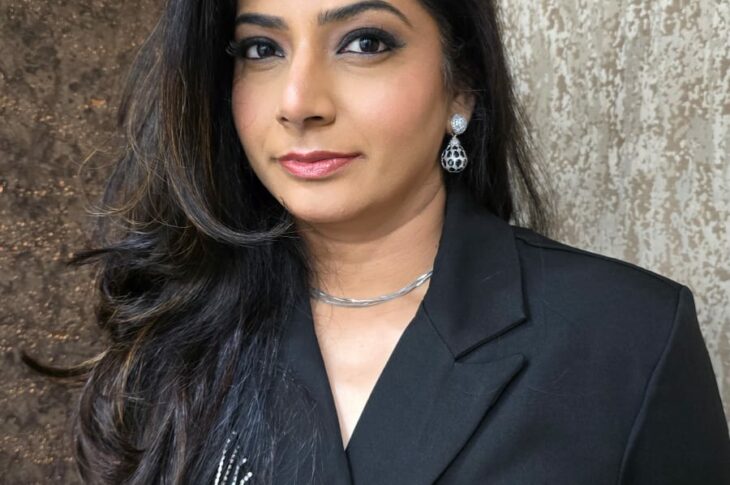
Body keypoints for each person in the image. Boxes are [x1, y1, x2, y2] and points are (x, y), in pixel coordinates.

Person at [24, 0, 729, 483]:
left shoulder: (627, 337)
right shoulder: (175, 329)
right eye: (262, 49)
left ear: (462, 85)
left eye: (364, 42)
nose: (299, 102)